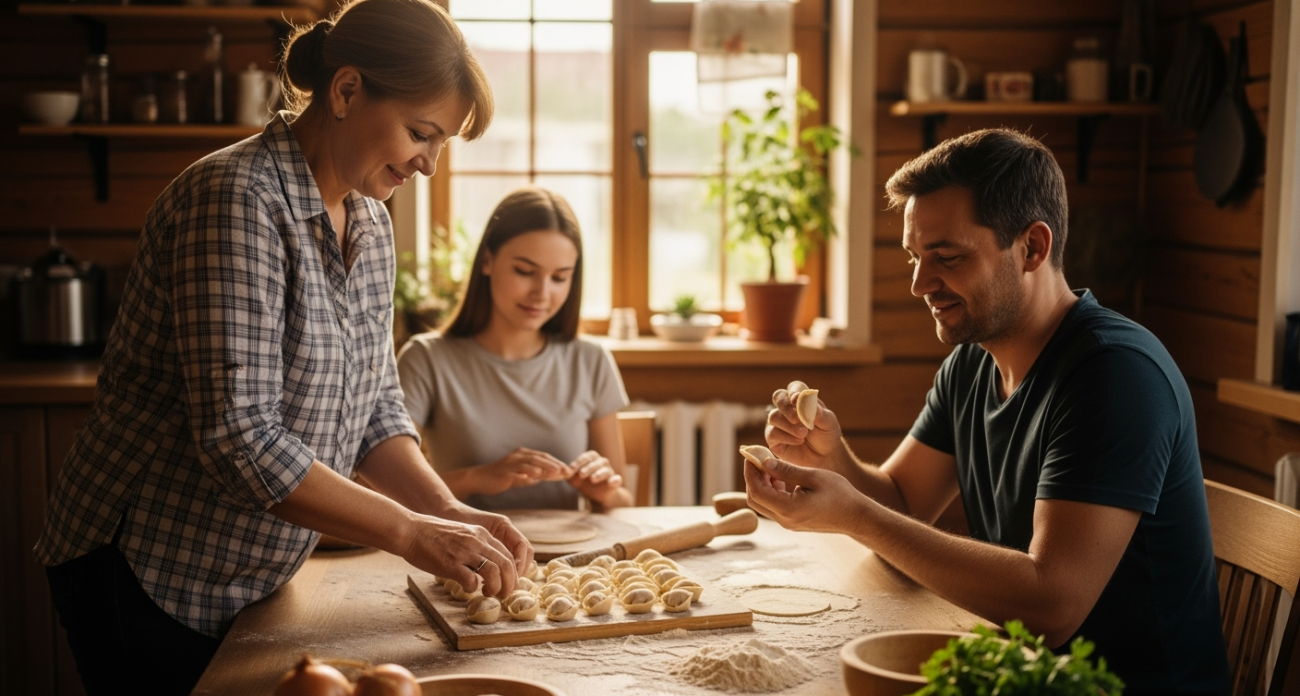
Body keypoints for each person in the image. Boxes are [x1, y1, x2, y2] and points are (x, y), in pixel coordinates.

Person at [32, 1, 532, 693]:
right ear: (346, 90)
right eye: (421, 133)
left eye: (441, 143)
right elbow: (240, 439)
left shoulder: (370, 221)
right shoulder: (235, 199)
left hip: (248, 573)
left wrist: (447, 511)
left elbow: (374, 409)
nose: (429, 164)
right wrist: (411, 533)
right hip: (146, 565)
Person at [745, 128, 1231, 695]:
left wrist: (855, 515)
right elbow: (904, 502)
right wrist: (833, 463)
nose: (919, 284)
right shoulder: (973, 363)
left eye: (947, 257)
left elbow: (1052, 604)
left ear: (1033, 248)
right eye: (914, 257)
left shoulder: (1115, 374)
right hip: (1020, 676)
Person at [397, 187, 633, 512]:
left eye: (559, 278)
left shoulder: (591, 360)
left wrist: (601, 492)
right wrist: (477, 478)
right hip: (463, 543)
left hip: (568, 545)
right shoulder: (426, 359)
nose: (542, 293)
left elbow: (623, 501)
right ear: (487, 261)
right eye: (525, 272)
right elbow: (387, 492)